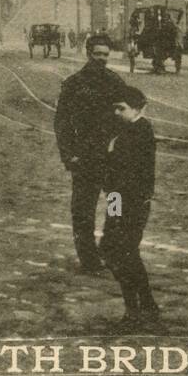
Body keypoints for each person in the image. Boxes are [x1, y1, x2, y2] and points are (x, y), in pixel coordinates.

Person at [54, 34, 131, 273]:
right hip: (85, 157)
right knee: (84, 211)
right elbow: (63, 123)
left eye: (105, 55)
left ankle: (110, 249)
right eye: (97, 54)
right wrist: (69, 155)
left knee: (116, 205)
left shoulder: (115, 82)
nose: (101, 59)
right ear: (88, 54)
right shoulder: (74, 83)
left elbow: (126, 119)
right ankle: (88, 259)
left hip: (110, 158)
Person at [100, 86, 162, 331]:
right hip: (117, 199)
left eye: (121, 108)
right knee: (113, 248)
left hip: (132, 203)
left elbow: (129, 171)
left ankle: (135, 308)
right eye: (115, 107)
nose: (116, 112)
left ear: (137, 108)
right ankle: (145, 303)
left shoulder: (141, 131)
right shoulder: (127, 128)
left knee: (123, 251)